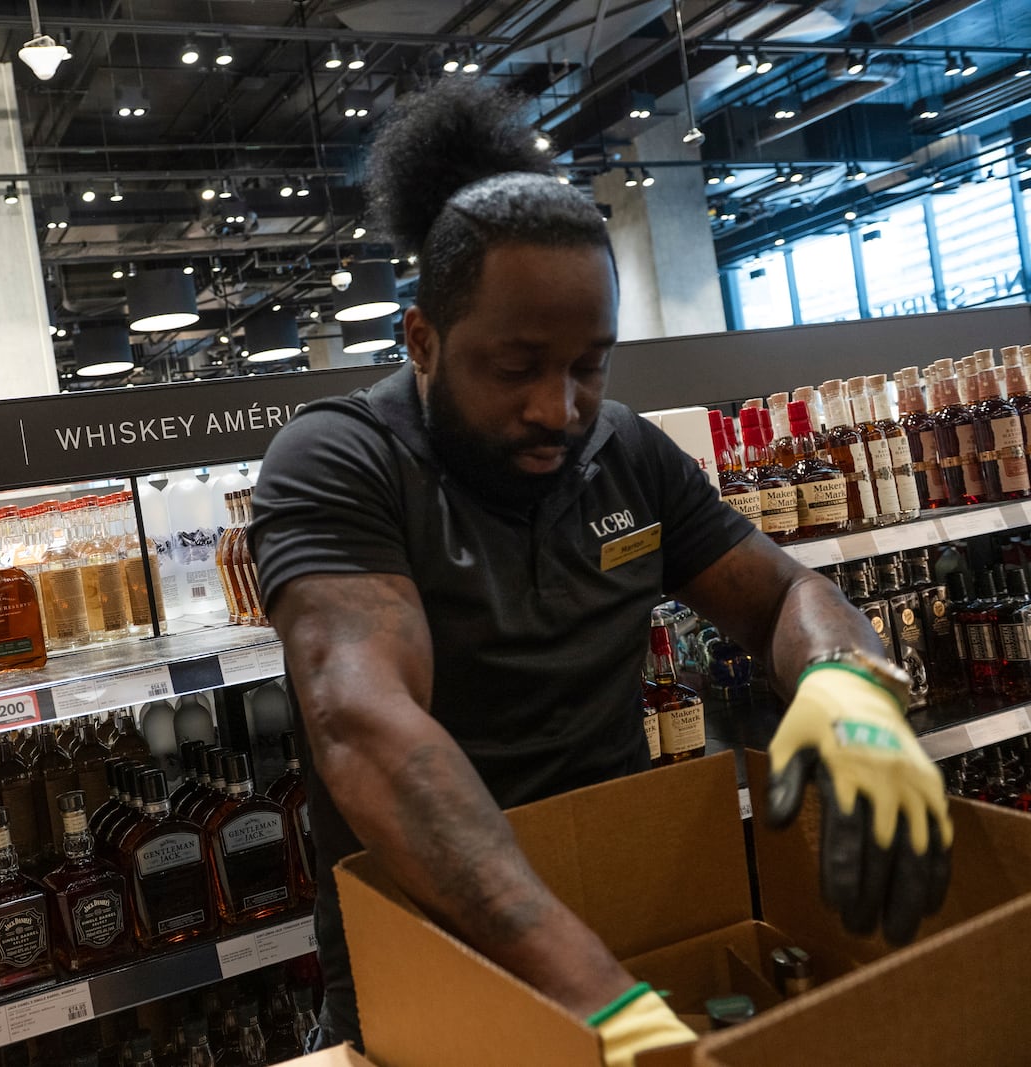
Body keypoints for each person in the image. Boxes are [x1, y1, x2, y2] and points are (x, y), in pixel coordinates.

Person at [249, 79, 952, 1065]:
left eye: (590, 364)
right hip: (427, 953)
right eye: (517, 365)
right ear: (421, 340)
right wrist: (594, 992)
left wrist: (843, 672)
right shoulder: (338, 461)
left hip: (615, 911)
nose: (560, 405)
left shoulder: (623, 453)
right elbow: (368, 726)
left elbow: (785, 592)